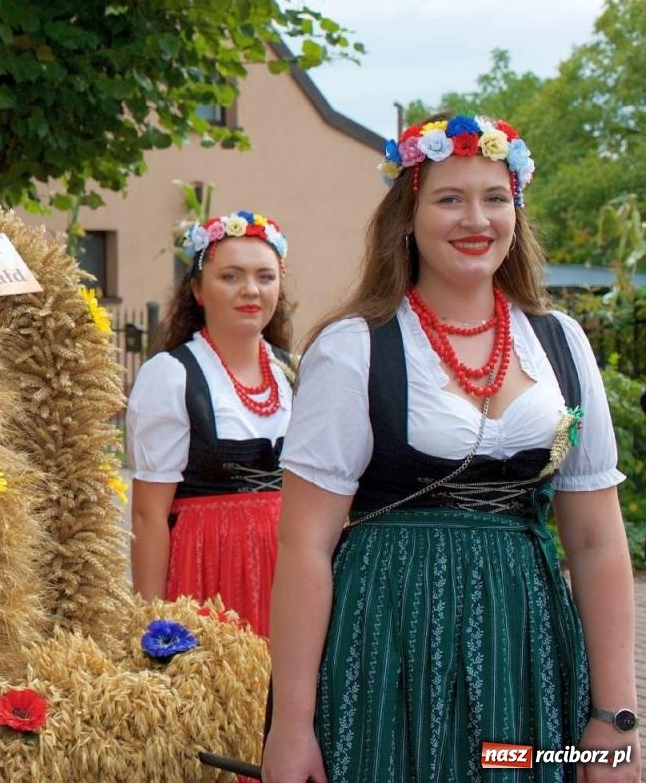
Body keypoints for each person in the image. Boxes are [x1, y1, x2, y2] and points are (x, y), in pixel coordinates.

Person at [262, 116, 639, 783]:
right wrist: (291, 724)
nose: (477, 218)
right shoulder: (356, 348)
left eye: (495, 197)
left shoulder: (559, 344)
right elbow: (305, 546)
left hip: (522, 643)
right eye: (449, 198)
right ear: (408, 215)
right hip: (388, 638)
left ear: (515, 211)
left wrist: (616, 721)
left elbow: (598, 542)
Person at [127, 211, 293, 636]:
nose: (250, 290)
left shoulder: (294, 372)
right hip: (208, 568)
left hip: (289, 572)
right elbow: (148, 515)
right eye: (231, 277)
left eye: (265, 276)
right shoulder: (172, 374)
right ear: (198, 289)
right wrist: (151, 621)